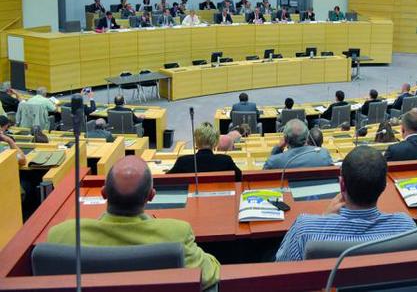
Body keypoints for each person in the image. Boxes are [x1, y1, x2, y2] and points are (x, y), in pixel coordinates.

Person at [47, 156, 220, 290]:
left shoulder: (63, 235)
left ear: (103, 193)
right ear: (151, 196)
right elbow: (209, 275)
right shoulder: (176, 233)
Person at [275, 145, 415, 261]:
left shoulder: (304, 229)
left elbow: (281, 270)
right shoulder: (406, 227)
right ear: (384, 186)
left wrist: (323, 219)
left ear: (342, 185)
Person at [169, 123, 242, 180]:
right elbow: (240, 178)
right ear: (215, 142)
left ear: (196, 142)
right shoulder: (226, 160)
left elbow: (166, 180)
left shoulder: (182, 161)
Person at [263, 119, 334, 169]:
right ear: (307, 137)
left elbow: (266, 172)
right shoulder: (324, 154)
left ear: (286, 139)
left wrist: (278, 148)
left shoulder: (274, 161)